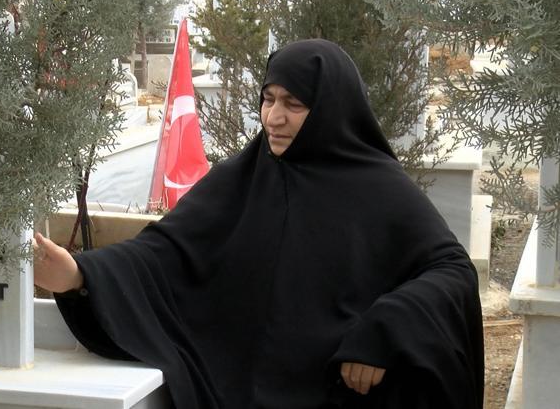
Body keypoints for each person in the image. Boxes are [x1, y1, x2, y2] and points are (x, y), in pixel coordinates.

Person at [33, 39, 484, 409]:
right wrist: (80, 275)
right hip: (237, 389)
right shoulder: (243, 178)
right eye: (268, 99)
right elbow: (164, 252)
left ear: (330, 108)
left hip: (338, 392)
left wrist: (384, 330)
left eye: (294, 103)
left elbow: (452, 271)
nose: (273, 117)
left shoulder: (378, 188)